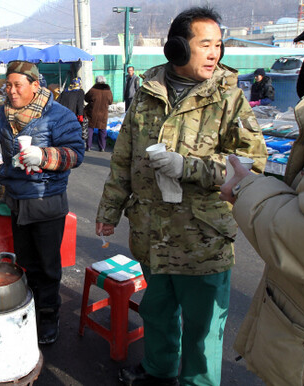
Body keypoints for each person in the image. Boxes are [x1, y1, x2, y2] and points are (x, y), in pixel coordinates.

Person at [95, 7, 268, 386]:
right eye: (205, 44)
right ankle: (158, 371)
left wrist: (188, 167)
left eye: (219, 45)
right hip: (152, 233)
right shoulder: (146, 93)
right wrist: (109, 210)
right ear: (176, 48)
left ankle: (196, 383)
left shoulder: (229, 98)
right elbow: (122, 157)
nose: (215, 54)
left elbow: (251, 164)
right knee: (157, 310)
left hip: (202, 238)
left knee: (203, 329)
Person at [0, 61, 84, 345]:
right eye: (8, 85)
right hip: (16, 200)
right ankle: (28, 313)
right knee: (26, 262)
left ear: (35, 85)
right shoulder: (5, 115)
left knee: (48, 266)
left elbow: (76, 154)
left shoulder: (58, 115)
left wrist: (44, 157)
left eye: (18, 85)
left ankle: (49, 317)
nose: (11, 91)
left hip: (46, 201)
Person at [220, 22, 304, 385]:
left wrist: (245, 188)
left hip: (215, 230)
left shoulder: (233, 99)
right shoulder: (154, 90)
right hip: (295, 321)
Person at [85, 75, 113, 152]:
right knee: (102, 129)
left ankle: (88, 146)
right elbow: (110, 101)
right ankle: (102, 147)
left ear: (96, 81)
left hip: (92, 112)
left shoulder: (93, 90)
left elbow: (86, 98)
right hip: (103, 113)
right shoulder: (108, 91)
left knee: (90, 128)